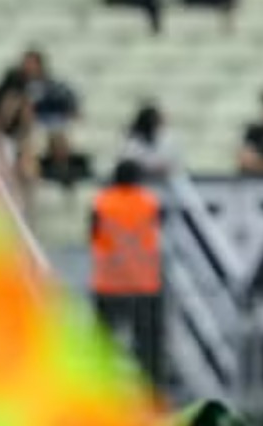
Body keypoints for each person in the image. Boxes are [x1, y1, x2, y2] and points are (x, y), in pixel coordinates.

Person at [89, 160, 164, 387]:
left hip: (109, 282)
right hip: (144, 282)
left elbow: (92, 234)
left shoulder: (102, 202)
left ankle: (101, 388)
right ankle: (151, 389)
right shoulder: (149, 201)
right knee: (148, 345)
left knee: (104, 343)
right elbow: (157, 229)